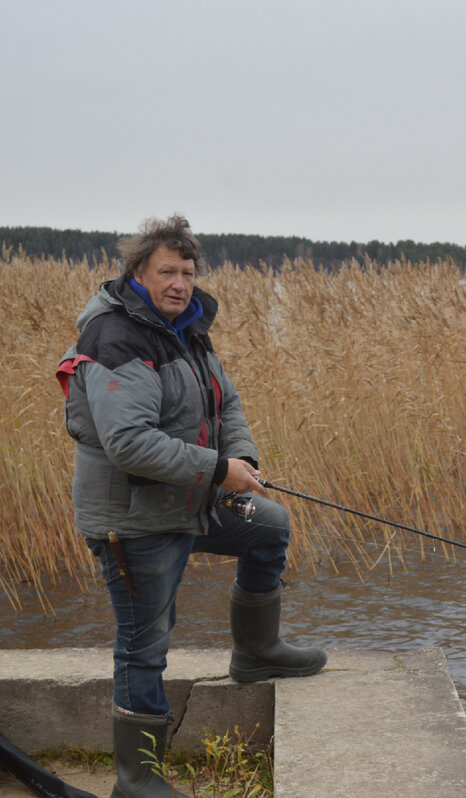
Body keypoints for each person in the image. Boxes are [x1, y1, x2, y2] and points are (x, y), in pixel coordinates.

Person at [56, 215, 325, 798]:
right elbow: (128, 443)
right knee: (145, 643)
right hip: (132, 517)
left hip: (188, 499)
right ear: (138, 273)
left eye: (187, 271)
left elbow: (226, 403)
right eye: (167, 272)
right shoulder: (116, 336)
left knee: (269, 526)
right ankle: (138, 779)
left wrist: (241, 458)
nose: (180, 282)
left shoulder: (187, 328)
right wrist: (217, 472)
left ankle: (256, 652)